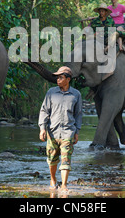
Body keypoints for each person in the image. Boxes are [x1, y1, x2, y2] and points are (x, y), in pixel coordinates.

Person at [38, 66, 82, 194]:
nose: (58, 79)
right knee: (52, 159)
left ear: (68, 79)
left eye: (61, 77)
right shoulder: (51, 92)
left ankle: (64, 185)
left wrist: (77, 131)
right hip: (52, 131)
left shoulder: (76, 94)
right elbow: (44, 110)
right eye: (57, 77)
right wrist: (42, 128)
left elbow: (78, 114)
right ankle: (53, 179)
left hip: (68, 132)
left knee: (66, 159)